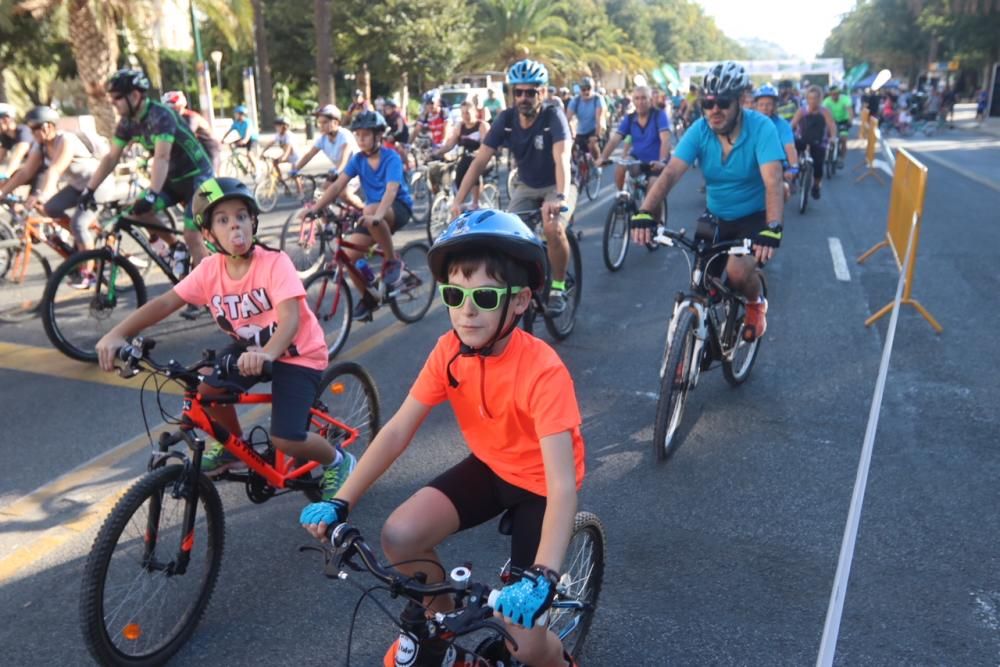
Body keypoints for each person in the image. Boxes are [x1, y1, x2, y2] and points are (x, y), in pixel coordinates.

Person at [300, 209, 586, 667]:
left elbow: (562, 487)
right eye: (455, 293)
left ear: (519, 301)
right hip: (492, 466)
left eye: (485, 295)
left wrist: (544, 575)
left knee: (526, 642)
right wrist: (341, 502)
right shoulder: (449, 351)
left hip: (540, 487)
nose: (466, 309)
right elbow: (396, 431)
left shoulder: (544, 371)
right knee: (400, 533)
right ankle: (444, 636)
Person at [95, 177, 355, 494]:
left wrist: (267, 355)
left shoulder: (275, 263)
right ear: (208, 234)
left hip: (297, 353)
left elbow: (289, 321)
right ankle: (235, 450)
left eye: (241, 216)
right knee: (206, 391)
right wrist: (117, 333)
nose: (236, 226)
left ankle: (338, 461)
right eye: (223, 220)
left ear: (253, 221)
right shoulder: (209, 270)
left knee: (285, 437)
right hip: (251, 349)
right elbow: (165, 302)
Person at [631, 60, 785, 342]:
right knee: (701, 282)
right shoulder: (700, 129)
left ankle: (755, 303)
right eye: (708, 102)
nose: (714, 109)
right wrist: (644, 212)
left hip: (754, 218)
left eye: (723, 102)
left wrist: (773, 227)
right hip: (716, 216)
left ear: (740, 100)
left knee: (737, 273)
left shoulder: (762, 128)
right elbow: (671, 173)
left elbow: (773, 181)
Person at [80, 68, 214, 318]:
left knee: (192, 233)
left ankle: (207, 295)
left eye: (117, 97)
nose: (114, 103)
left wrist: (152, 193)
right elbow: (111, 157)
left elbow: (161, 156)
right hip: (173, 180)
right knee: (137, 213)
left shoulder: (161, 115)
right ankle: (176, 249)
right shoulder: (128, 122)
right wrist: (89, 189)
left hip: (199, 177)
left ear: (134, 95)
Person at [450, 58, 577, 317]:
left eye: (530, 92)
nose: (523, 97)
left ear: (542, 92)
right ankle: (526, 280)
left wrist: (560, 197)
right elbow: (479, 162)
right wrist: (458, 200)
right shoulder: (506, 119)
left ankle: (558, 287)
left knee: (553, 226)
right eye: (518, 92)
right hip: (526, 186)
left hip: (557, 184)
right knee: (507, 234)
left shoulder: (553, 116)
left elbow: (562, 159)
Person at [308, 111, 413, 320]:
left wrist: (378, 215)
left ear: (378, 136)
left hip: (396, 208)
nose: (361, 139)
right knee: (347, 257)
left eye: (365, 134)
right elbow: (338, 185)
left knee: (370, 209)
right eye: (358, 135)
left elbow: (391, 190)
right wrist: (315, 208)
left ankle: (392, 261)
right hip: (373, 214)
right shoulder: (358, 160)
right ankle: (369, 298)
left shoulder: (391, 157)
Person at [0, 106, 115, 287]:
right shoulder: (41, 146)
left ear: (49, 126)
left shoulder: (65, 140)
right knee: (50, 208)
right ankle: (82, 241)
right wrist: (2, 192)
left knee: (78, 224)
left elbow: (55, 169)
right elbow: (25, 173)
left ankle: (88, 273)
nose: (33, 133)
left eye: (36, 128)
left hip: (98, 185)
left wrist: (41, 194)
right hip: (78, 187)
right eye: (31, 129)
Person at [597, 85, 671, 219]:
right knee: (621, 165)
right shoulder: (630, 118)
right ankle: (621, 198)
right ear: (633, 100)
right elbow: (615, 140)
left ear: (650, 100)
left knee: (653, 190)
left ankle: (657, 224)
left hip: (656, 161)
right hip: (638, 158)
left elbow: (665, 140)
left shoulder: (659, 116)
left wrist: (662, 161)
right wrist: (603, 157)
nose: (640, 102)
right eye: (637, 98)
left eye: (644, 98)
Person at [433, 100, 490, 207]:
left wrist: (477, 153)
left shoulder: (482, 126)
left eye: (468, 113)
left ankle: (475, 202)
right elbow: (450, 144)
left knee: (473, 165)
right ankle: (459, 202)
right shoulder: (460, 126)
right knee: (456, 171)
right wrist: (438, 152)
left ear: (475, 113)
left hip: (482, 159)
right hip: (465, 157)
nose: (465, 116)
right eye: (463, 113)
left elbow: (485, 146)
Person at [752, 84, 799, 201]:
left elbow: (789, 147)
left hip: (776, 164)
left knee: (783, 192)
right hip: (751, 164)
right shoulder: (748, 123)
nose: (765, 108)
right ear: (756, 106)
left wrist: (793, 167)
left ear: (774, 106)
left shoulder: (782, 124)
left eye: (768, 104)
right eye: (761, 105)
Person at [791, 85, 837, 200]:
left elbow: (831, 125)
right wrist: (787, 136)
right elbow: (792, 124)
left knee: (818, 166)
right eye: (810, 98)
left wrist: (833, 137)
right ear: (807, 98)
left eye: (815, 98)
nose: (813, 101)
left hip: (819, 142)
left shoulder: (824, 112)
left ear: (820, 99)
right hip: (802, 139)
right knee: (793, 157)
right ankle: (793, 176)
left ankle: (816, 186)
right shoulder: (802, 111)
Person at [162, 90, 222, 172]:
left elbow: (186, 135)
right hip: (198, 149)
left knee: (211, 176)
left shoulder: (191, 117)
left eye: (173, 108)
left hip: (210, 148)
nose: (171, 111)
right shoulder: (177, 118)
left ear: (180, 107)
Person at [566, 76, 605, 164]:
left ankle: (597, 163)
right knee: (571, 150)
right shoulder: (575, 101)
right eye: (583, 89)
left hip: (594, 129)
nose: (586, 91)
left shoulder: (598, 99)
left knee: (592, 145)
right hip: (580, 131)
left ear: (593, 88)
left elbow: (599, 120)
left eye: (589, 88)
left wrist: (596, 136)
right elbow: (567, 119)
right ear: (580, 90)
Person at [261, 117, 302, 195]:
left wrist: (283, 157)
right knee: (274, 163)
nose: (276, 127)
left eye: (279, 125)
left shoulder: (289, 136)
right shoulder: (278, 135)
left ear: (285, 126)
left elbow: (288, 148)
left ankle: (301, 192)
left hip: (295, 157)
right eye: (276, 126)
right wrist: (263, 152)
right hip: (287, 156)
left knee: (295, 174)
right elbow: (271, 143)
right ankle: (283, 182)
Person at [220, 105, 259, 176]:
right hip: (243, 138)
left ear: (241, 114)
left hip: (252, 138)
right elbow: (229, 131)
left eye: (236, 114)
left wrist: (244, 141)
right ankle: (242, 164)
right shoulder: (236, 123)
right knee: (232, 145)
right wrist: (223, 139)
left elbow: (248, 133)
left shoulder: (247, 122)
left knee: (249, 154)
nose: (235, 115)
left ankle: (257, 169)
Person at [822, 85, 853, 167]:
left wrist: (850, 121)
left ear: (839, 93)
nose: (834, 96)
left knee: (843, 139)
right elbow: (823, 112)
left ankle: (841, 159)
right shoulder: (826, 101)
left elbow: (849, 111)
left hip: (843, 121)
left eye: (836, 94)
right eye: (832, 94)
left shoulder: (845, 99)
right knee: (826, 137)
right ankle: (826, 154)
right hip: (832, 121)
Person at [0, 103, 32, 179]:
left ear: (6, 120)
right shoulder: (6, 136)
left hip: (42, 168)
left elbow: (18, 155)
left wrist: (6, 174)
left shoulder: (23, 131)